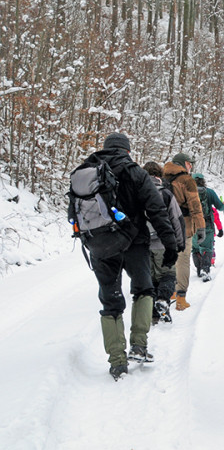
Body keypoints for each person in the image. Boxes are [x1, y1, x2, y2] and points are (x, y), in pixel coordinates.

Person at [77, 134, 178, 380]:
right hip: (135, 244)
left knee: (110, 301)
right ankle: (139, 346)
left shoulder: (86, 171)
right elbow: (156, 211)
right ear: (127, 151)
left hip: (101, 246)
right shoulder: (136, 173)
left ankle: (117, 361)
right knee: (143, 290)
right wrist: (170, 244)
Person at [143, 162, 185, 324]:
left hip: (144, 245)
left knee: (150, 278)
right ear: (159, 175)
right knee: (168, 275)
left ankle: (153, 314)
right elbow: (177, 219)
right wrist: (179, 243)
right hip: (164, 244)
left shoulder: (137, 193)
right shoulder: (166, 194)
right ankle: (163, 300)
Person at [161, 152, 205, 310]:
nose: (191, 166)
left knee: (168, 259)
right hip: (183, 225)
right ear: (182, 163)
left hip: (164, 225)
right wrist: (201, 227)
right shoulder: (187, 180)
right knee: (183, 259)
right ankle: (181, 297)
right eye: (189, 163)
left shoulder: (162, 177)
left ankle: (169, 291)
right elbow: (195, 206)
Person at [191, 172, 224, 281]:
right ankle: (205, 270)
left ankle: (198, 269)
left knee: (195, 248)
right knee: (207, 247)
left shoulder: (187, 193)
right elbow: (220, 207)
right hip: (207, 225)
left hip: (192, 225)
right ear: (203, 181)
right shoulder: (209, 192)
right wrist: (223, 204)